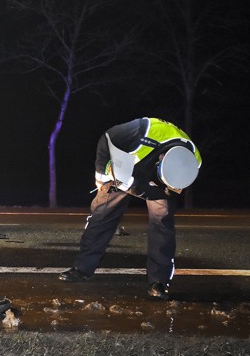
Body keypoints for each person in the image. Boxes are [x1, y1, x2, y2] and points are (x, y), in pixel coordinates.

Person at [59, 117, 202, 299]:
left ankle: (159, 281)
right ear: (161, 157)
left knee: (162, 222)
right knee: (102, 213)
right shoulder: (142, 130)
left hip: (155, 185)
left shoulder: (192, 165)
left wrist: (140, 188)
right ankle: (82, 268)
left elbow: (164, 193)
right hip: (126, 168)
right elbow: (107, 137)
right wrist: (101, 173)